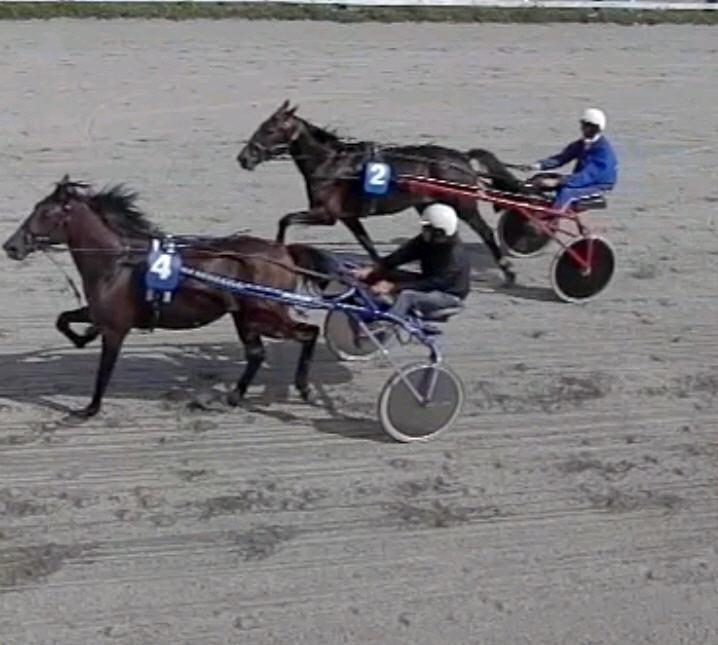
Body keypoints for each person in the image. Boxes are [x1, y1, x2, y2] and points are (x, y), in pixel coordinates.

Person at [351, 202, 470, 321]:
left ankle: (386, 324)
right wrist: (375, 268)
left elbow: (435, 282)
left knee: (407, 296)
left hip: (448, 295)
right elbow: (403, 255)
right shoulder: (428, 239)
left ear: (437, 231)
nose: (423, 231)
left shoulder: (453, 255)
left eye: (426, 228)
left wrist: (394, 286)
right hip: (427, 281)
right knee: (385, 273)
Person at [522, 108, 618, 211]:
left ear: (596, 128)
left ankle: (552, 218)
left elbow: (587, 176)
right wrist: (537, 165)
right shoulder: (582, 144)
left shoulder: (603, 152)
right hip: (582, 180)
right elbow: (562, 158)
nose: (583, 129)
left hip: (597, 185)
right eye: (583, 125)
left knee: (567, 193)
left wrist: (558, 182)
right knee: (539, 178)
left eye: (587, 126)